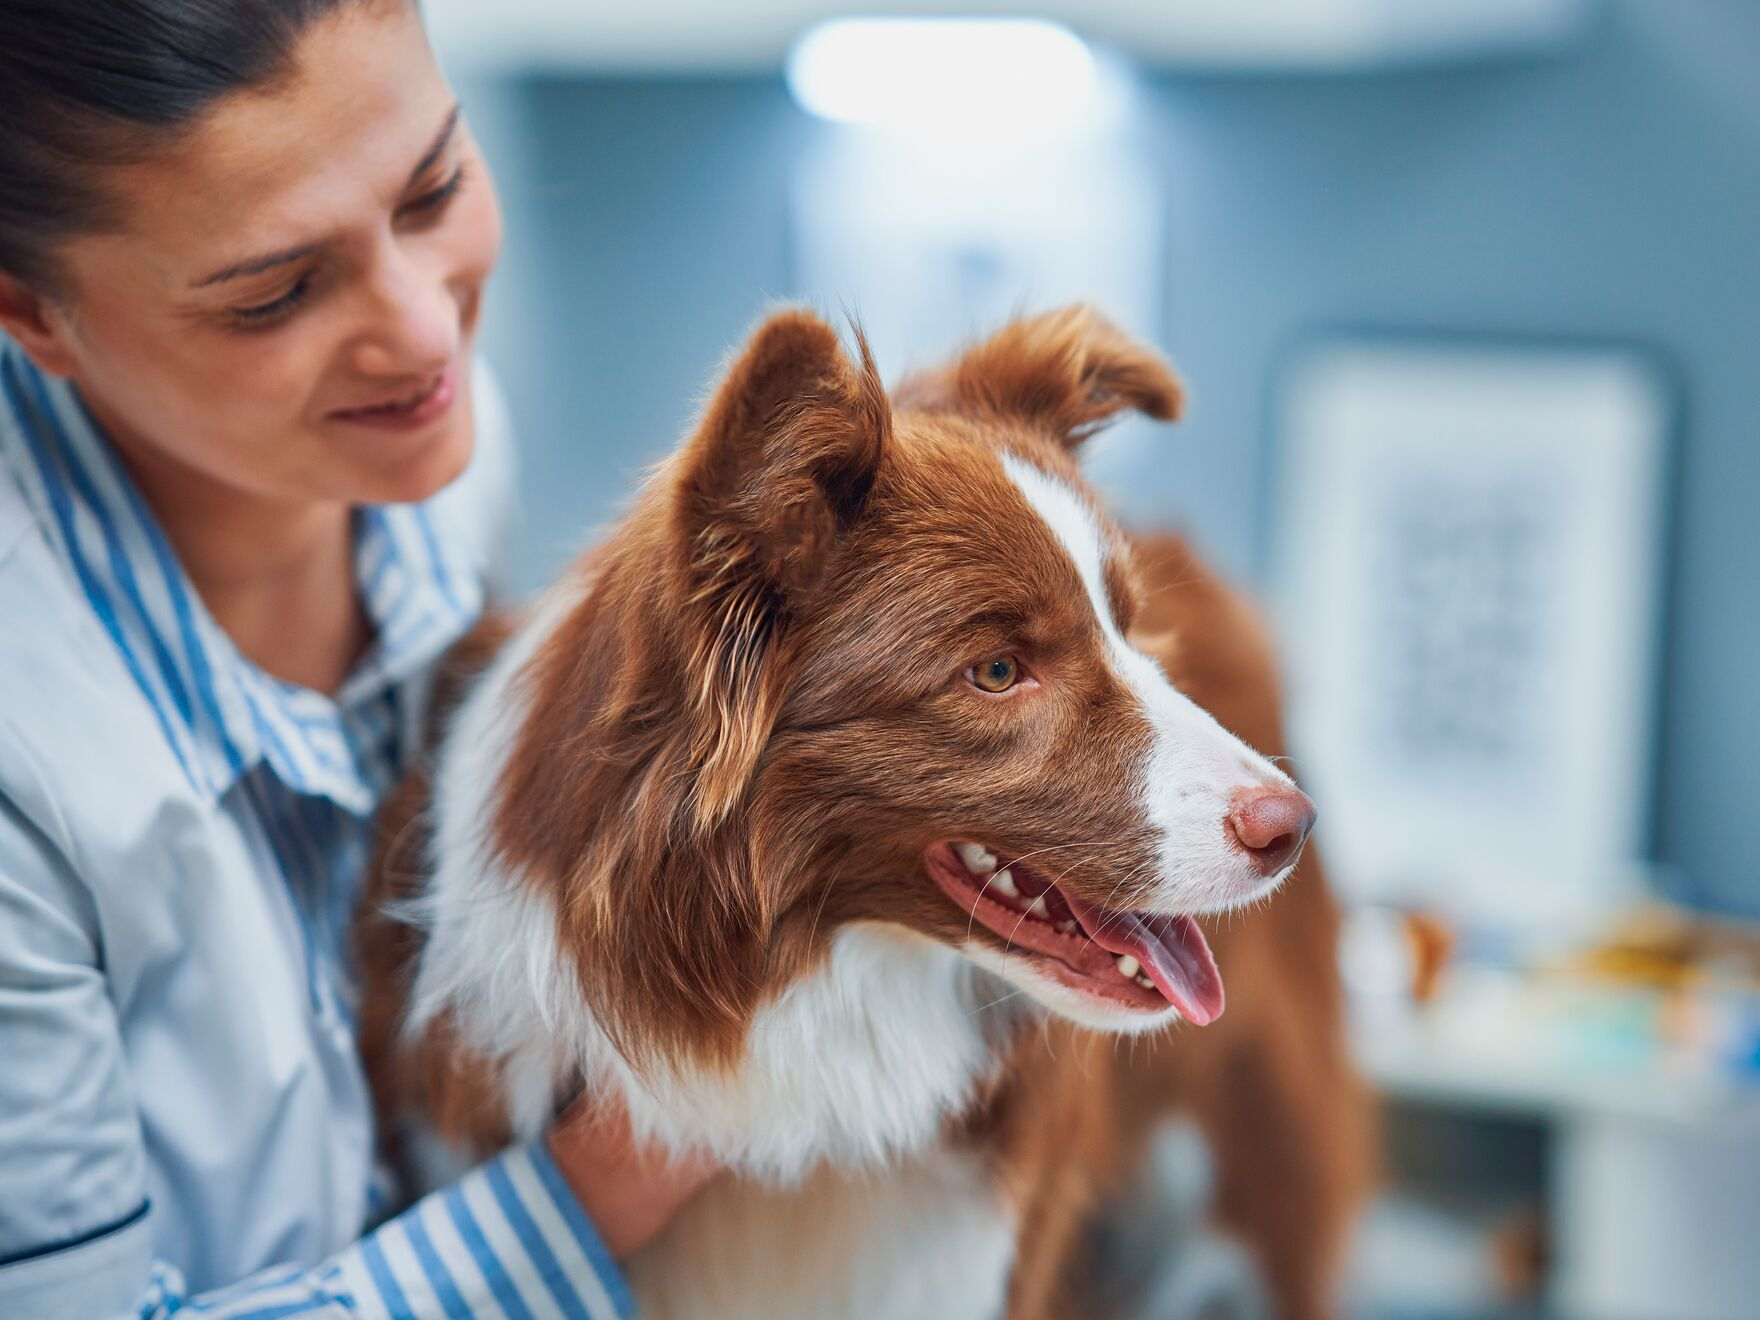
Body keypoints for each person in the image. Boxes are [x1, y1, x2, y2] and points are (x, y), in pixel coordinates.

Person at [0, 2, 714, 1316]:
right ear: (30, 313)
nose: (425, 334)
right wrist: (595, 1192)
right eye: (277, 293)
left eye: (435, 185)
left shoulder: (437, 451)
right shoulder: (26, 762)